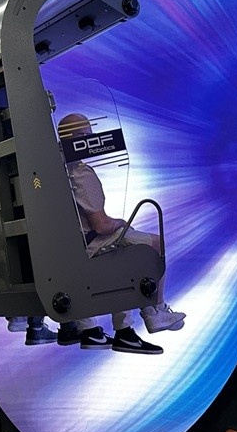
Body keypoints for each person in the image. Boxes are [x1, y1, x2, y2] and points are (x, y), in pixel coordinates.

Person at [54, 113, 185, 355]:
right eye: (87, 136)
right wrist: (121, 223)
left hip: (68, 247)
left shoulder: (51, 171)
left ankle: (118, 329)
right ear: (76, 138)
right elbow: (101, 225)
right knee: (154, 244)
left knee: (124, 246)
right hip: (92, 244)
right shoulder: (80, 173)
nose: (92, 141)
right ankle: (155, 311)